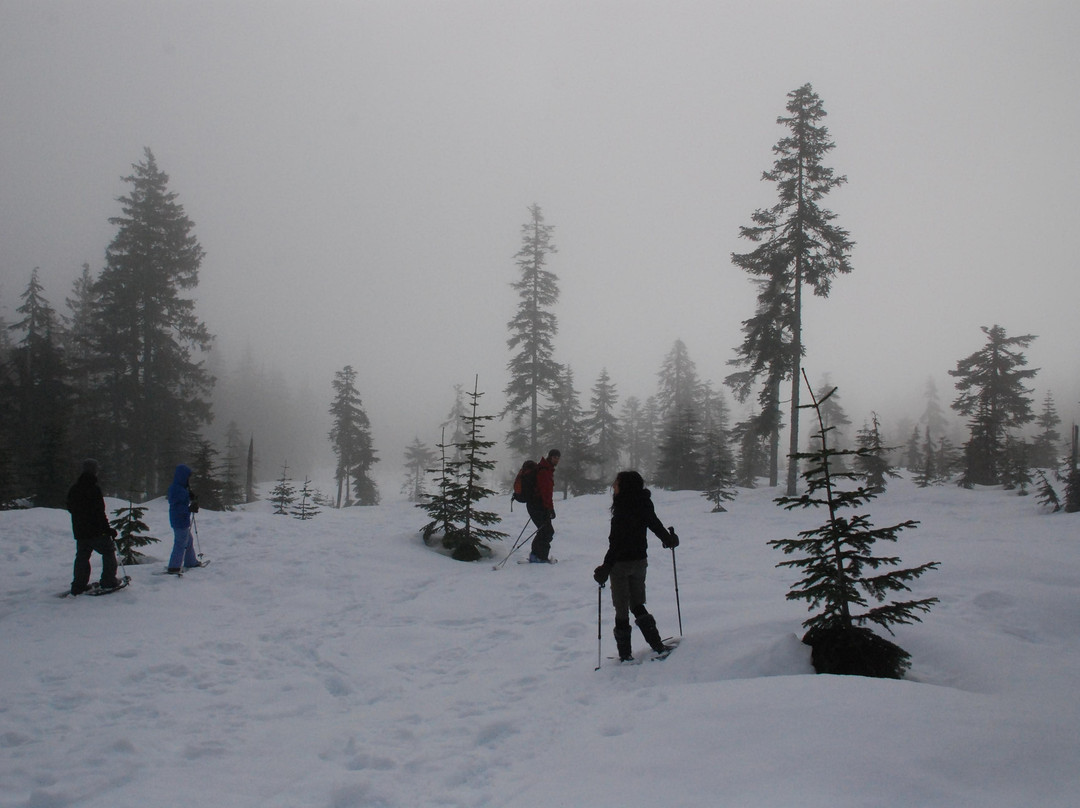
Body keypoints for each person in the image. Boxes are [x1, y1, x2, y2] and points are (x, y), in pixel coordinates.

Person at [593, 470, 679, 661]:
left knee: (621, 609)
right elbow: (654, 524)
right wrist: (668, 539)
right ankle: (657, 645)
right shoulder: (643, 502)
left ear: (624, 486)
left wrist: (606, 567)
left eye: (616, 483)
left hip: (620, 565)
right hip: (640, 561)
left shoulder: (622, 508)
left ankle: (625, 656)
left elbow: (615, 543)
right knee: (638, 604)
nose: (613, 486)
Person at [67, 459, 121, 595]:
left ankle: (78, 585)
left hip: (80, 531)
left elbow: (70, 508)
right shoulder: (94, 489)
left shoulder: (75, 488)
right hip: (96, 531)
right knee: (108, 552)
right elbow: (99, 512)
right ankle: (109, 581)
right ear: (95, 471)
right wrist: (108, 529)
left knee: (82, 556)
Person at [166, 463, 202, 573]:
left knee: (188, 540)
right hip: (179, 520)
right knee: (181, 542)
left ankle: (190, 561)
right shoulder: (177, 489)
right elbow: (177, 506)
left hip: (181, 519)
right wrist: (189, 509)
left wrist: (190, 497)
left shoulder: (179, 488)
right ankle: (174, 566)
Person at [527, 449, 560, 563]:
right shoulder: (544, 470)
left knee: (545, 530)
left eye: (558, 457)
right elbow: (545, 492)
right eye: (554, 457)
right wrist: (550, 509)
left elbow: (546, 493)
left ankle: (536, 555)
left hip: (536, 505)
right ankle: (539, 557)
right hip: (538, 505)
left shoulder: (546, 469)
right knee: (547, 531)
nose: (557, 459)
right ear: (550, 457)